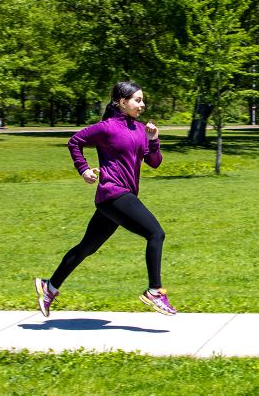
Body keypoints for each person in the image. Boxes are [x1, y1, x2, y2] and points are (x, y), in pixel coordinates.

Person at [34, 81, 177, 317]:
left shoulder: (141, 130)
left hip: (116, 198)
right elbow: (74, 142)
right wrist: (83, 169)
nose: (143, 104)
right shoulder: (106, 128)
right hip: (113, 193)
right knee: (155, 233)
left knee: (86, 248)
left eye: (142, 100)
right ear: (122, 102)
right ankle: (155, 291)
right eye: (137, 100)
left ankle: (49, 286)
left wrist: (153, 140)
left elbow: (154, 162)